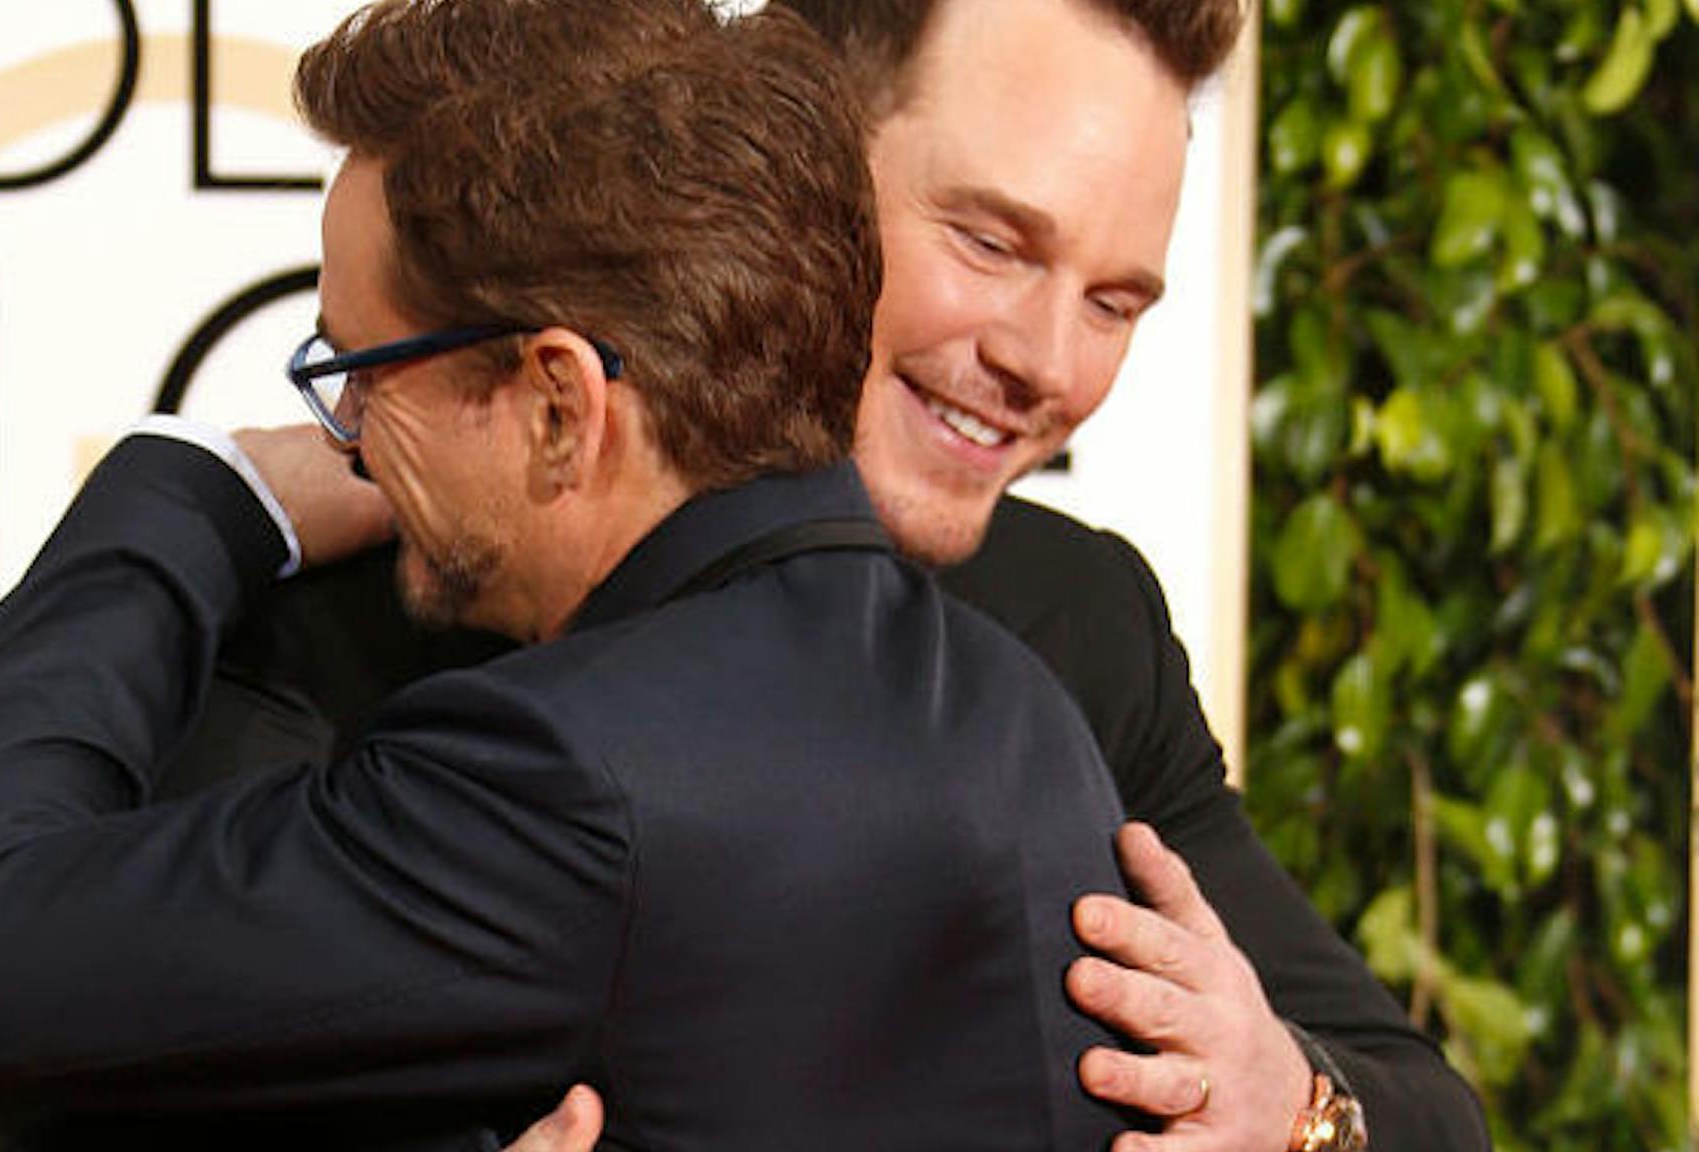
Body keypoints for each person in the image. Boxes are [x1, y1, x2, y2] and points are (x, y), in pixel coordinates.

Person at [164, 0, 1495, 1149]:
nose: (1047, 361)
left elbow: (1428, 1111)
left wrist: (1292, 1102)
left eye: (1114, 303)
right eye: (990, 242)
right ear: (781, 159)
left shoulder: (1081, 623)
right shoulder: (372, 599)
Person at [0, 1, 1138, 1148]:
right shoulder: (1023, 717)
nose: (341, 426)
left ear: (559, 403)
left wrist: (201, 485)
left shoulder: (558, 780)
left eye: (365, 370)